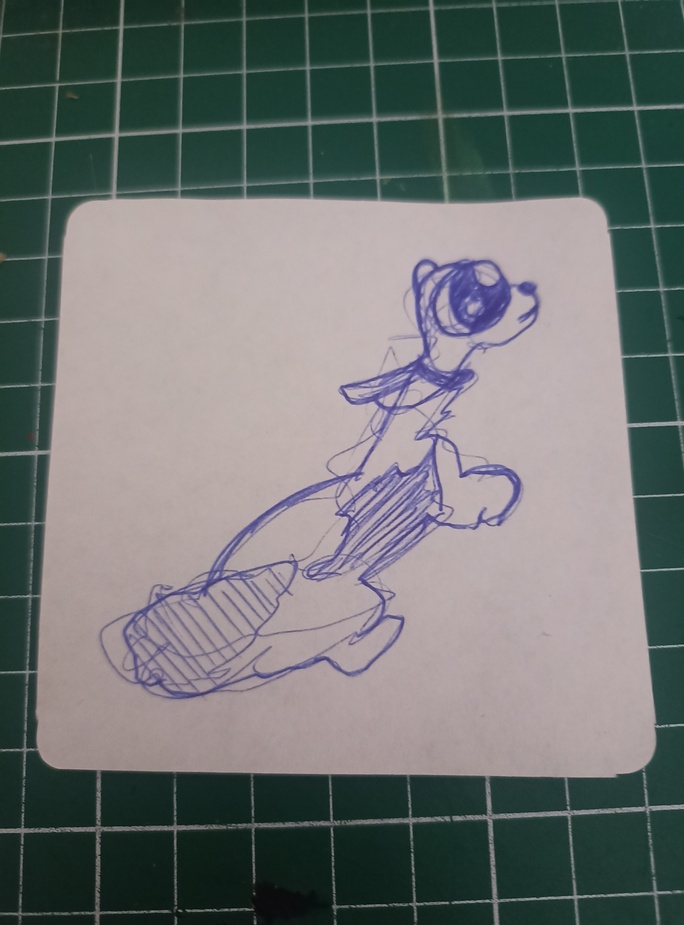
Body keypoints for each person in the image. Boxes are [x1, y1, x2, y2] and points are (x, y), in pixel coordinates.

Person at [101, 258, 539, 697]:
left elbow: (376, 478)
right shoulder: (306, 605)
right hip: (354, 525)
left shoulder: (276, 575)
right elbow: (388, 479)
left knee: (336, 581)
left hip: (352, 520)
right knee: (344, 590)